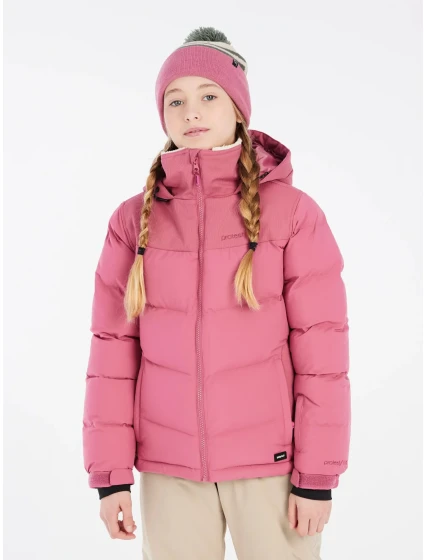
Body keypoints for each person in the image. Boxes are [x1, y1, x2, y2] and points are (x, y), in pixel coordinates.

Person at [82, 26, 351, 559]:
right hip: (170, 470)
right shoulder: (131, 222)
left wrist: (317, 475)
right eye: (175, 100)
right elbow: (111, 352)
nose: (191, 112)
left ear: (238, 108)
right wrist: (110, 476)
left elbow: (323, 353)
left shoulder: (292, 214)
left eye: (209, 96)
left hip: (272, 469)